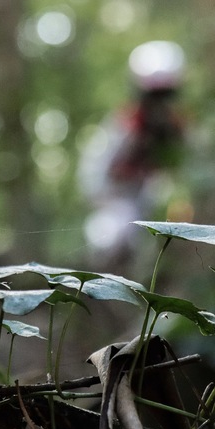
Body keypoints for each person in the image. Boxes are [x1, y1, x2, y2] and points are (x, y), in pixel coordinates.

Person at [78, 41, 186, 265]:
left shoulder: (178, 129)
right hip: (119, 204)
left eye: (165, 95)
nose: (159, 105)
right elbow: (94, 177)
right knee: (112, 235)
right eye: (153, 96)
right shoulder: (124, 127)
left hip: (154, 204)